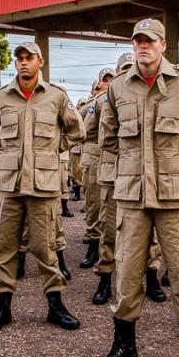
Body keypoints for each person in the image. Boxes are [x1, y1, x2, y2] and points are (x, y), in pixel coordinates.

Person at [97, 19, 179, 357]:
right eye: (138, 41)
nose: (143, 47)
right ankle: (124, 346)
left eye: (150, 41)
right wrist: (137, 162)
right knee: (128, 272)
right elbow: (108, 136)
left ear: (163, 45)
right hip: (133, 195)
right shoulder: (119, 87)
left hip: (175, 195)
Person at [0, 42, 83, 333]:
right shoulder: (1, 98)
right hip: (11, 186)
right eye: (20, 59)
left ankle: (55, 305)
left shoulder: (57, 97)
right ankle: (2, 306)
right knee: (5, 248)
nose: (24, 63)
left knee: (45, 247)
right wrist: (12, 152)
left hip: (44, 185)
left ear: (41, 62)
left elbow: (76, 132)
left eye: (29, 58)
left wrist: (50, 152)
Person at [89, 52, 166, 306]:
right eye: (116, 72)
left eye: (125, 69)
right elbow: (95, 135)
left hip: (146, 173)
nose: (121, 75)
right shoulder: (106, 99)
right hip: (114, 175)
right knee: (110, 229)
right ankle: (105, 278)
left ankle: (152, 275)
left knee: (150, 231)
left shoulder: (153, 93)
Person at [79, 68, 115, 269]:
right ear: (100, 83)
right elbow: (85, 131)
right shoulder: (97, 102)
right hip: (97, 157)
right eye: (106, 79)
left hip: (121, 159)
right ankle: (93, 246)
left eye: (113, 78)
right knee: (94, 203)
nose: (109, 82)